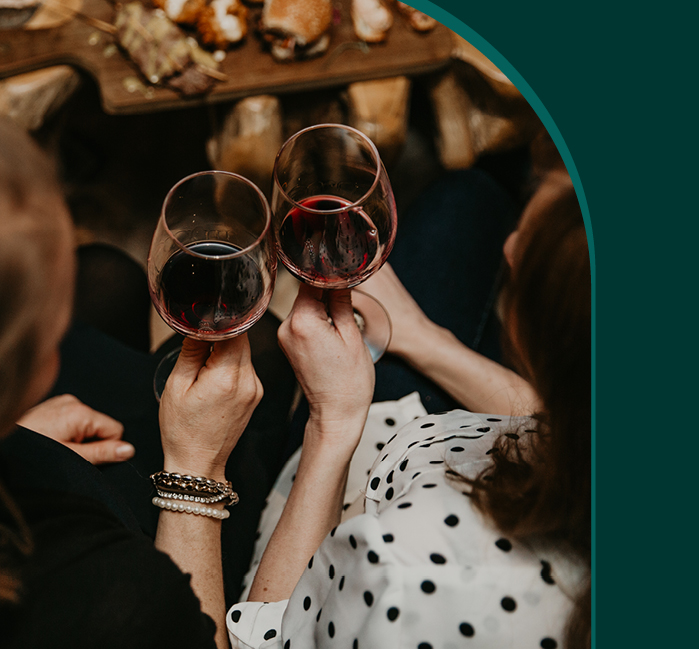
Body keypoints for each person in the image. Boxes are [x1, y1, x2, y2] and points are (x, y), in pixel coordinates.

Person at [225, 163, 591, 649]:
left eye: (531, 250)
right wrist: (424, 340)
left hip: (330, 503)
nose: (510, 246)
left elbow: (268, 636)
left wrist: (331, 424)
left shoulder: (405, 574)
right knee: (469, 192)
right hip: (427, 437)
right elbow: (561, 423)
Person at [0, 120, 267, 648]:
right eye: (57, 334)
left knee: (107, 273)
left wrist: (17, 437)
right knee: (270, 355)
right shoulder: (116, 599)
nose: (64, 344)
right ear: (28, 370)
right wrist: (197, 469)